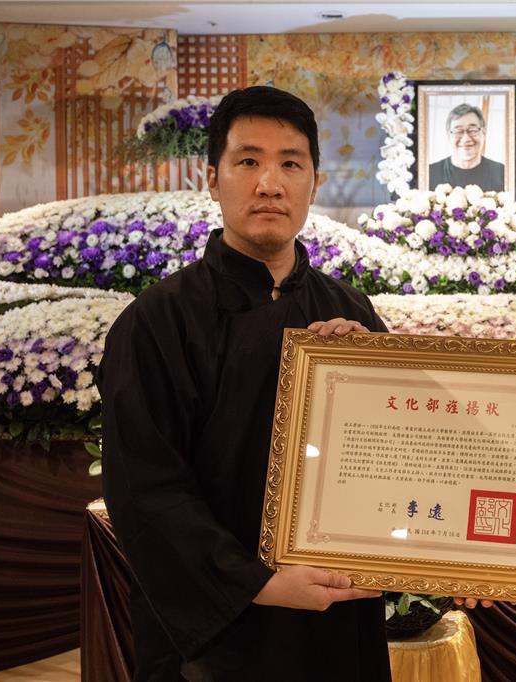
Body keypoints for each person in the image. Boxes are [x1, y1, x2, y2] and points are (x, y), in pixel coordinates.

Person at [98, 86, 392, 681]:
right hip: (217, 632)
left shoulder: (350, 313)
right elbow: (146, 490)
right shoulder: (158, 321)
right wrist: (258, 583)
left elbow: (395, 458)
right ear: (213, 178)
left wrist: (374, 376)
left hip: (335, 618)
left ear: (315, 182)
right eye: (249, 161)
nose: (270, 184)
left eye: (291, 164)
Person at [428, 103, 506, 191]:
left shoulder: (503, 174)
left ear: (484, 133)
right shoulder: (429, 174)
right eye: (458, 131)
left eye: (473, 130)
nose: (466, 139)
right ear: (448, 135)